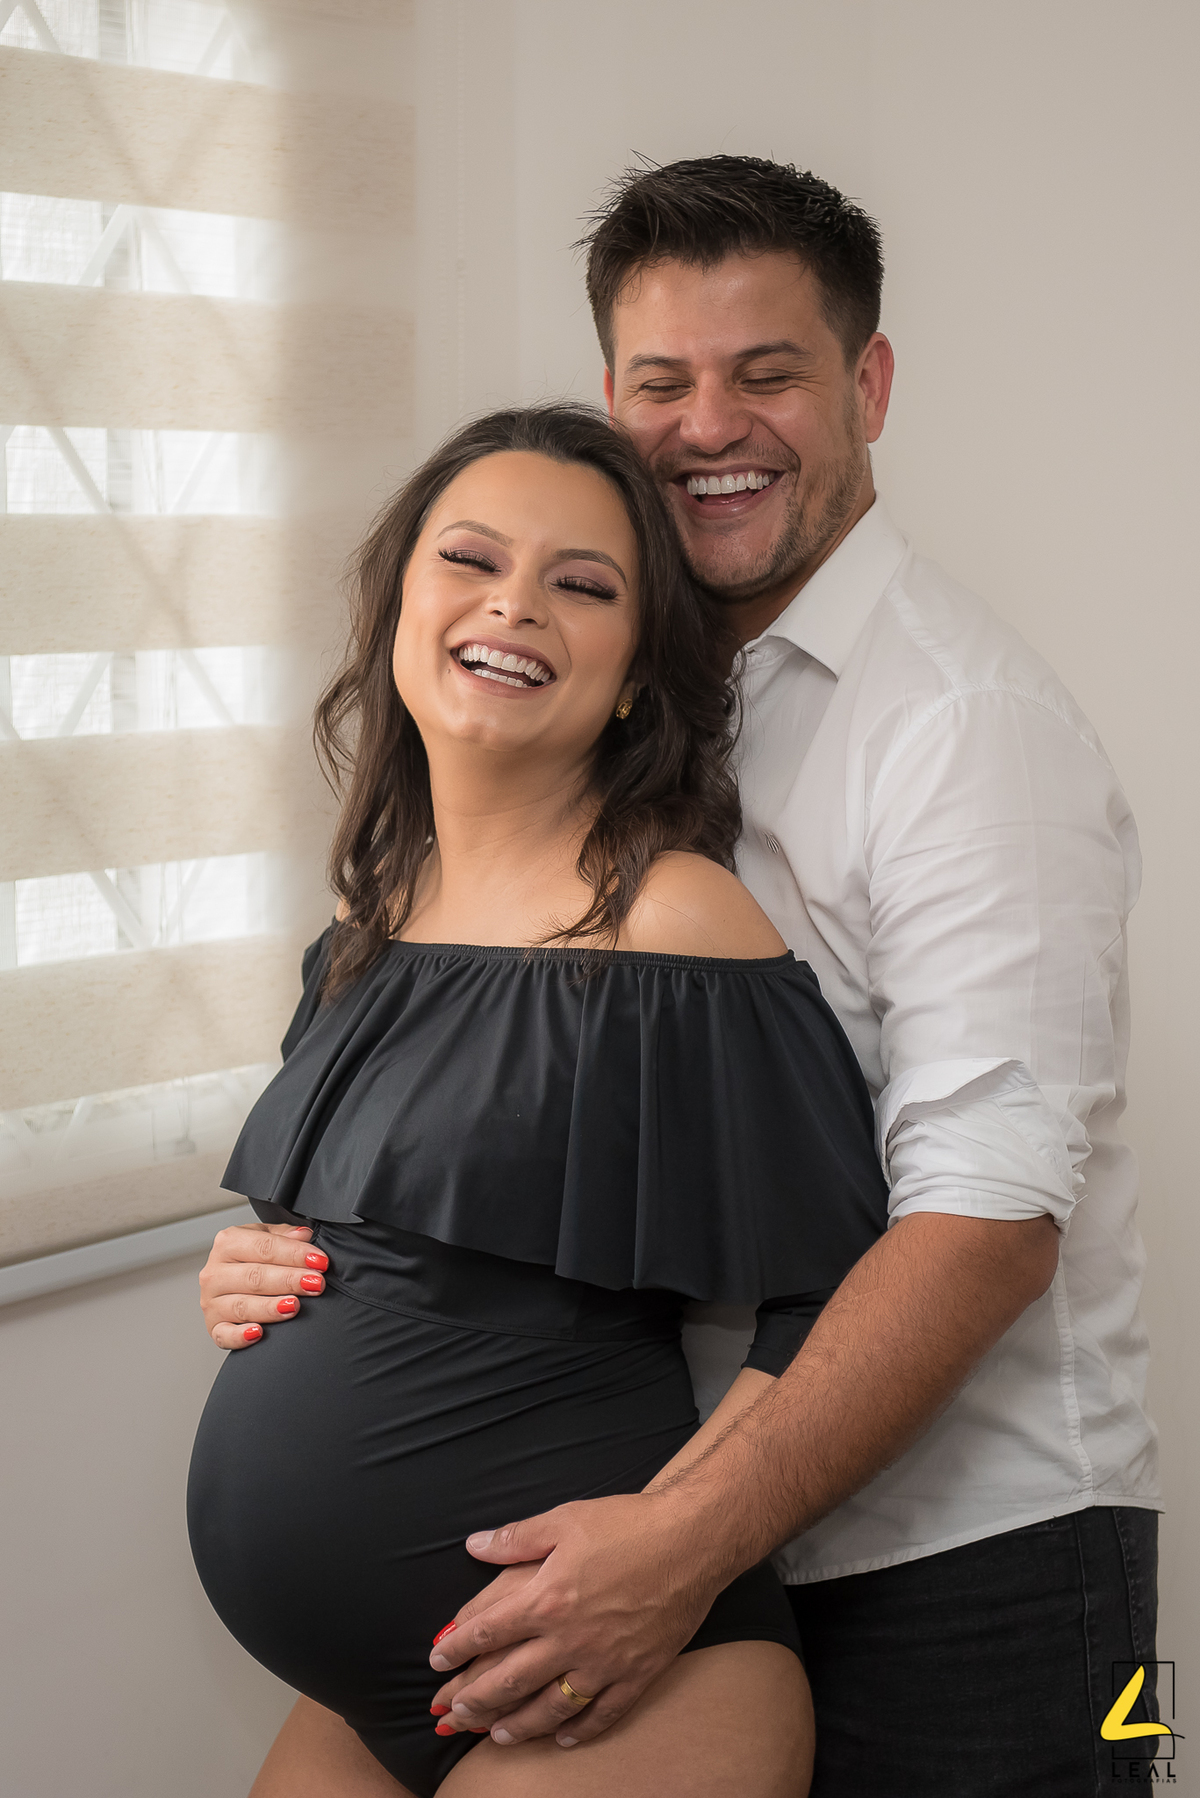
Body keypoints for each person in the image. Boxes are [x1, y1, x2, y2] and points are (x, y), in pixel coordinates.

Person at [199, 158, 1163, 1795]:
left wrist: (683, 1541)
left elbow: (989, 1220)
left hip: (976, 1563)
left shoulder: (963, 730)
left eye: (767, 373)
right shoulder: (622, 708)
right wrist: (306, 1268)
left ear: (867, 387)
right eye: (664, 382)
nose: (712, 424)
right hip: (653, 1533)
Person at [187, 402, 892, 1798]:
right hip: (370, 1689)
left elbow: (842, 1297)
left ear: (634, 676)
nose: (516, 604)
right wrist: (254, 1270)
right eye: (471, 559)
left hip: (614, 1675)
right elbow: (385, 1235)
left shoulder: (673, 926)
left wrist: (671, 1548)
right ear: (400, 607)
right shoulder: (367, 922)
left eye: (584, 585)